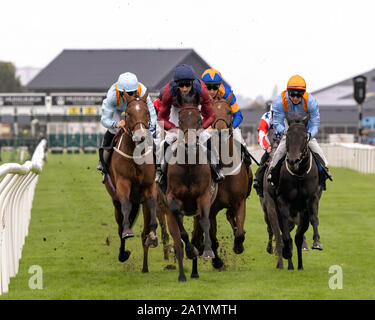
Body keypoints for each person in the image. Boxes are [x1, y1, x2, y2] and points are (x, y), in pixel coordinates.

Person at [156, 64, 225, 190]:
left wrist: (198, 129)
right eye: (181, 85)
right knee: (165, 144)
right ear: (176, 84)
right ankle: (161, 172)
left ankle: (217, 168)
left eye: (187, 85)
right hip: (176, 113)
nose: (184, 88)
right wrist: (175, 130)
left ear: (193, 83)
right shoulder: (167, 92)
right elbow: (161, 119)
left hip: (194, 113)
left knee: (207, 138)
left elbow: (211, 116)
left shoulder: (202, 90)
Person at [267, 75, 331, 190]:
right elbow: (277, 121)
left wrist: (309, 135)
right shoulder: (280, 101)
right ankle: (272, 173)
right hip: (288, 125)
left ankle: (323, 173)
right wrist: (285, 132)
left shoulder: (311, 102)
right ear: (288, 93)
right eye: (292, 94)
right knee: (281, 148)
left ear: (303, 94)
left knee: (316, 148)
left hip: (304, 125)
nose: (295, 98)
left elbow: (315, 123)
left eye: (299, 95)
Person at [97, 72, 157, 182]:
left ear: (136, 91)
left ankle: (157, 166)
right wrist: (116, 124)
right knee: (113, 130)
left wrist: (151, 129)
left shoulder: (142, 91)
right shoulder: (112, 96)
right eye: (126, 93)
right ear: (119, 92)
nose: (128, 96)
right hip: (117, 109)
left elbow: (151, 112)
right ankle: (103, 163)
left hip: (135, 108)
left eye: (131, 93)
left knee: (150, 133)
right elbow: (104, 120)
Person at [201, 68, 252, 169]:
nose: (211, 91)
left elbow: (238, 115)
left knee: (239, 137)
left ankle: (246, 163)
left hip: (226, 126)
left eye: (215, 87)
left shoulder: (227, 93)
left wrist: (232, 127)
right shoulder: (198, 94)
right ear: (204, 86)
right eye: (209, 87)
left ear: (219, 86)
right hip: (206, 125)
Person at [253, 101, 279, 197]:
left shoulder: (286, 116)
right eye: (274, 113)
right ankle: (258, 181)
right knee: (265, 159)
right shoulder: (266, 117)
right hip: (272, 142)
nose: (277, 116)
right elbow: (262, 133)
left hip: (284, 141)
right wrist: (267, 147)